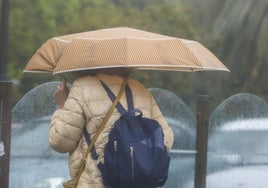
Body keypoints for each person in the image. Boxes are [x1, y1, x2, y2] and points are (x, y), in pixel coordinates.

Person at [49, 68, 174, 188]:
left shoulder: (82, 88)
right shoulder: (140, 89)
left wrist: (62, 106)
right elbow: (166, 141)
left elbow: (61, 142)